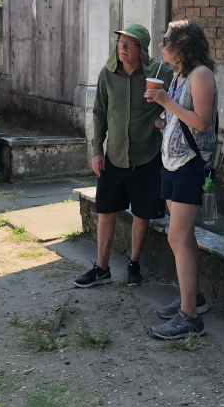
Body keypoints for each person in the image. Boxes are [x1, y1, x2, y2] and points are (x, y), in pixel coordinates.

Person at [74, 23, 172, 289]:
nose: (123, 48)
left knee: (142, 212)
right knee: (106, 210)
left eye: (129, 44)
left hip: (146, 155)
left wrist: (162, 120)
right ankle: (102, 267)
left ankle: (134, 264)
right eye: (120, 43)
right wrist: (96, 151)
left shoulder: (160, 73)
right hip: (114, 155)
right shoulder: (108, 74)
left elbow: (178, 103)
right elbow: (99, 114)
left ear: (142, 49)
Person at [144, 20, 217, 340]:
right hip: (171, 164)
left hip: (189, 165)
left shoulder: (201, 75)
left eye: (165, 41)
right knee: (184, 238)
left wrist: (166, 103)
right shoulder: (179, 76)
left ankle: (189, 317)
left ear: (182, 44)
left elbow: (201, 123)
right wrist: (163, 119)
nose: (160, 46)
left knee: (177, 238)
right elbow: (179, 116)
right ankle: (194, 299)